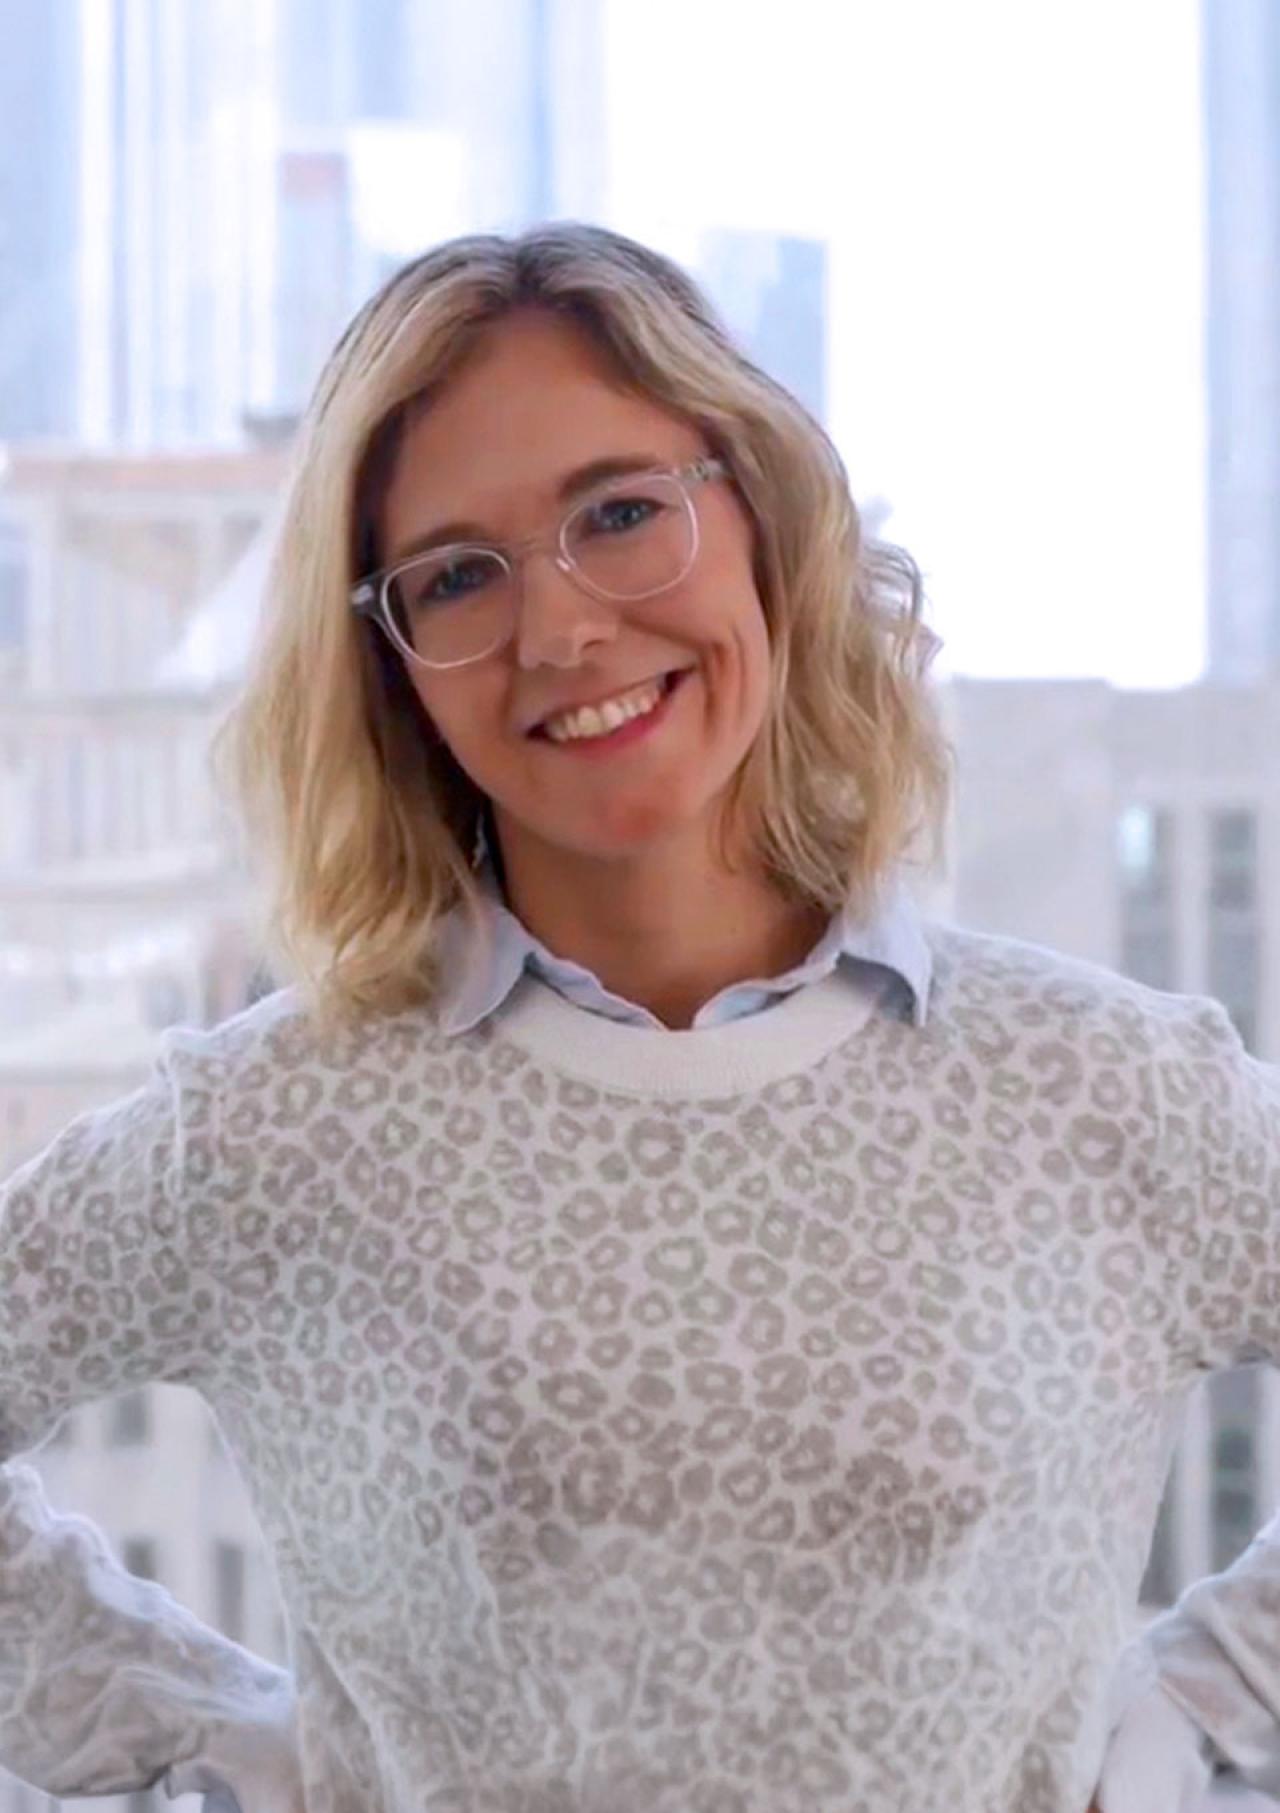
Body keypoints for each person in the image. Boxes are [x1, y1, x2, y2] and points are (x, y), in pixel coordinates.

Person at [1, 221, 1277, 1813]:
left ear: (762, 515)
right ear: (389, 664)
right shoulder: (275, 1130)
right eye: (457, 573)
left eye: (620, 514)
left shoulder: (1100, 1087)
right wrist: (196, 1733)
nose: (561, 630)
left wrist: (1199, 1715)